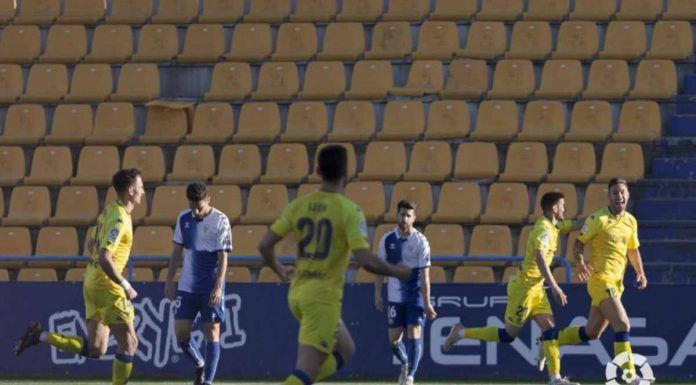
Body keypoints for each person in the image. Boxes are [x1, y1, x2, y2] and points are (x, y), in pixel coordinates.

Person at [257, 144, 411, 385]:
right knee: (305, 372)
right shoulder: (348, 211)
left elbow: (264, 245)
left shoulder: (299, 205)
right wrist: (398, 272)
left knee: (346, 350)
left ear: (317, 169)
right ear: (346, 174)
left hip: (297, 294)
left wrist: (279, 269)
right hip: (322, 298)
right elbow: (364, 259)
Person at [13, 168, 145, 385]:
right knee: (129, 343)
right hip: (108, 286)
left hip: (91, 282)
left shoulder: (108, 211)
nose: (142, 190)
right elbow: (104, 256)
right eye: (140, 187)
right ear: (131, 191)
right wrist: (124, 283)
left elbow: (90, 243)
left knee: (96, 349)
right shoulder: (120, 219)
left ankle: (40, 336)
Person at [443, 192, 582, 385]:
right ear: (554, 208)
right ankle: (460, 333)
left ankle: (555, 378)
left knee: (550, 330)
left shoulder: (554, 225)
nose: (565, 209)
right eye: (563, 205)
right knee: (507, 335)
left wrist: (596, 220)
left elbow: (572, 225)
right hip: (524, 290)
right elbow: (541, 259)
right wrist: (556, 287)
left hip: (538, 289)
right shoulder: (543, 229)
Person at [554, 178, 652, 384]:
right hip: (600, 280)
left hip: (617, 284)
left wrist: (640, 273)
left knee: (592, 332)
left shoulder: (631, 222)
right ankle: (630, 376)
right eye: (615, 192)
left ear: (628, 195)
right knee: (622, 324)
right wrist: (580, 263)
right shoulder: (597, 219)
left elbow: (633, 250)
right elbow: (578, 245)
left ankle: (551, 341)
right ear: (609, 196)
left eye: (623, 192)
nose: (619, 196)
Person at [164, 182, 232, 385]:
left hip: (210, 286)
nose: (196, 211)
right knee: (181, 332)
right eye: (192, 206)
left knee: (211, 331)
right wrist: (169, 280)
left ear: (208, 200)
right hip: (187, 286)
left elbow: (223, 259)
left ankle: (208, 381)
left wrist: (218, 287)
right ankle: (199, 362)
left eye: (199, 207)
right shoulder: (184, 218)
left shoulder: (220, 220)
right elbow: (176, 253)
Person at [374, 200, 437, 385]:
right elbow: (380, 270)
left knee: (414, 332)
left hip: (415, 295)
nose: (405, 218)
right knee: (394, 340)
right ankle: (405, 364)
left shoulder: (420, 241)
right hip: (395, 296)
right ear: (397, 216)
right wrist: (377, 294)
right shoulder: (387, 240)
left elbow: (425, 276)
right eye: (402, 214)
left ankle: (410, 378)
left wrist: (426, 303)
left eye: (409, 215)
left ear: (414, 218)